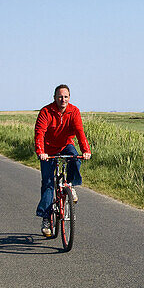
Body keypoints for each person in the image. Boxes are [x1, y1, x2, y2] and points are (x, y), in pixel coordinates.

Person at [35, 84, 91, 236]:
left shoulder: (74, 111)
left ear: (69, 98)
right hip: (48, 149)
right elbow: (39, 133)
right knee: (48, 185)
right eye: (60, 97)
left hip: (66, 145)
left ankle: (70, 184)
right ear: (54, 98)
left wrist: (86, 151)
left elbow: (80, 132)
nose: (63, 99)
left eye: (65, 97)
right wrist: (41, 152)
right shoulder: (46, 112)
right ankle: (46, 218)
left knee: (75, 158)